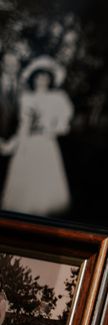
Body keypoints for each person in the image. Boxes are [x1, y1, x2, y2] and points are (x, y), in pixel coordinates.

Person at [1, 56, 73, 215]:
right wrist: (11, 145)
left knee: (42, 184)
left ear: (51, 79)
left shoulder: (59, 98)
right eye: (39, 76)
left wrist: (51, 130)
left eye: (45, 76)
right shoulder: (26, 98)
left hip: (46, 144)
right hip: (27, 146)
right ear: (33, 78)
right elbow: (23, 127)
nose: (42, 80)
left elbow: (64, 126)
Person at [0, 52, 21, 190]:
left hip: (13, 145)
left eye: (14, 64)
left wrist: (15, 140)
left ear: (18, 66)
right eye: (8, 64)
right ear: (1, 65)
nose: (11, 67)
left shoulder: (25, 87)